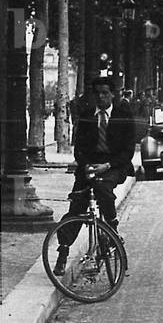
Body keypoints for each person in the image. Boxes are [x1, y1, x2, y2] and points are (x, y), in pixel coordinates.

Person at [52, 78, 136, 276]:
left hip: (114, 165)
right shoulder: (87, 115)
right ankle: (63, 252)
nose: (101, 96)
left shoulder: (123, 115)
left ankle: (112, 228)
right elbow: (78, 148)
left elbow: (128, 151)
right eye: (97, 93)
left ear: (113, 94)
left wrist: (106, 165)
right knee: (77, 205)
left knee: (102, 187)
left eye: (105, 93)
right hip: (90, 165)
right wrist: (87, 165)